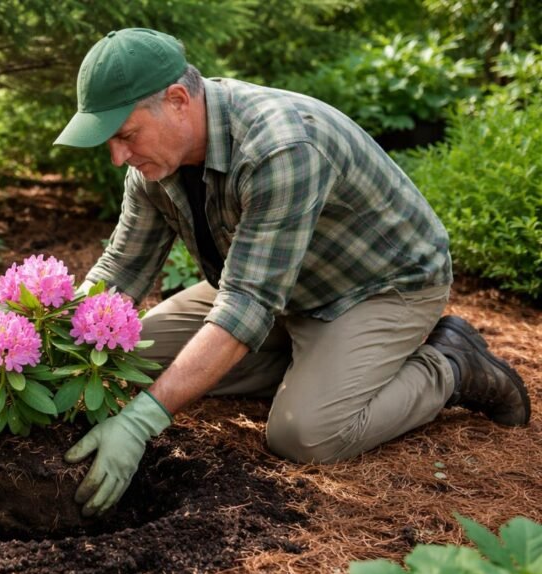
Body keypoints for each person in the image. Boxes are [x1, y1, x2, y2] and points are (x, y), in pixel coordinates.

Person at [55, 28, 531, 518]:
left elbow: (245, 306)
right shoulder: (154, 166)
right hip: (281, 290)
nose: (118, 157)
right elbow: (122, 267)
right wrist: (55, 341)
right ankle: (317, 368)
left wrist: (141, 422)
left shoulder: (279, 146)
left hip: (377, 288)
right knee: (131, 360)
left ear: (177, 100)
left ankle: (451, 366)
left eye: (126, 135)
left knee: (305, 433)